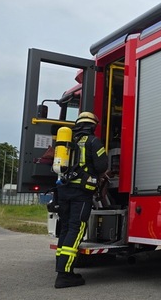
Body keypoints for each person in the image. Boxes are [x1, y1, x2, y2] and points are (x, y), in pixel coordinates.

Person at [54, 111, 109, 288]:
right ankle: (65, 275)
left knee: (65, 228)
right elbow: (102, 165)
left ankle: (61, 268)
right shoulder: (93, 141)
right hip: (80, 193)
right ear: (92, 126)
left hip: (63, 191)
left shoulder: (68, 141)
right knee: (76, 228)